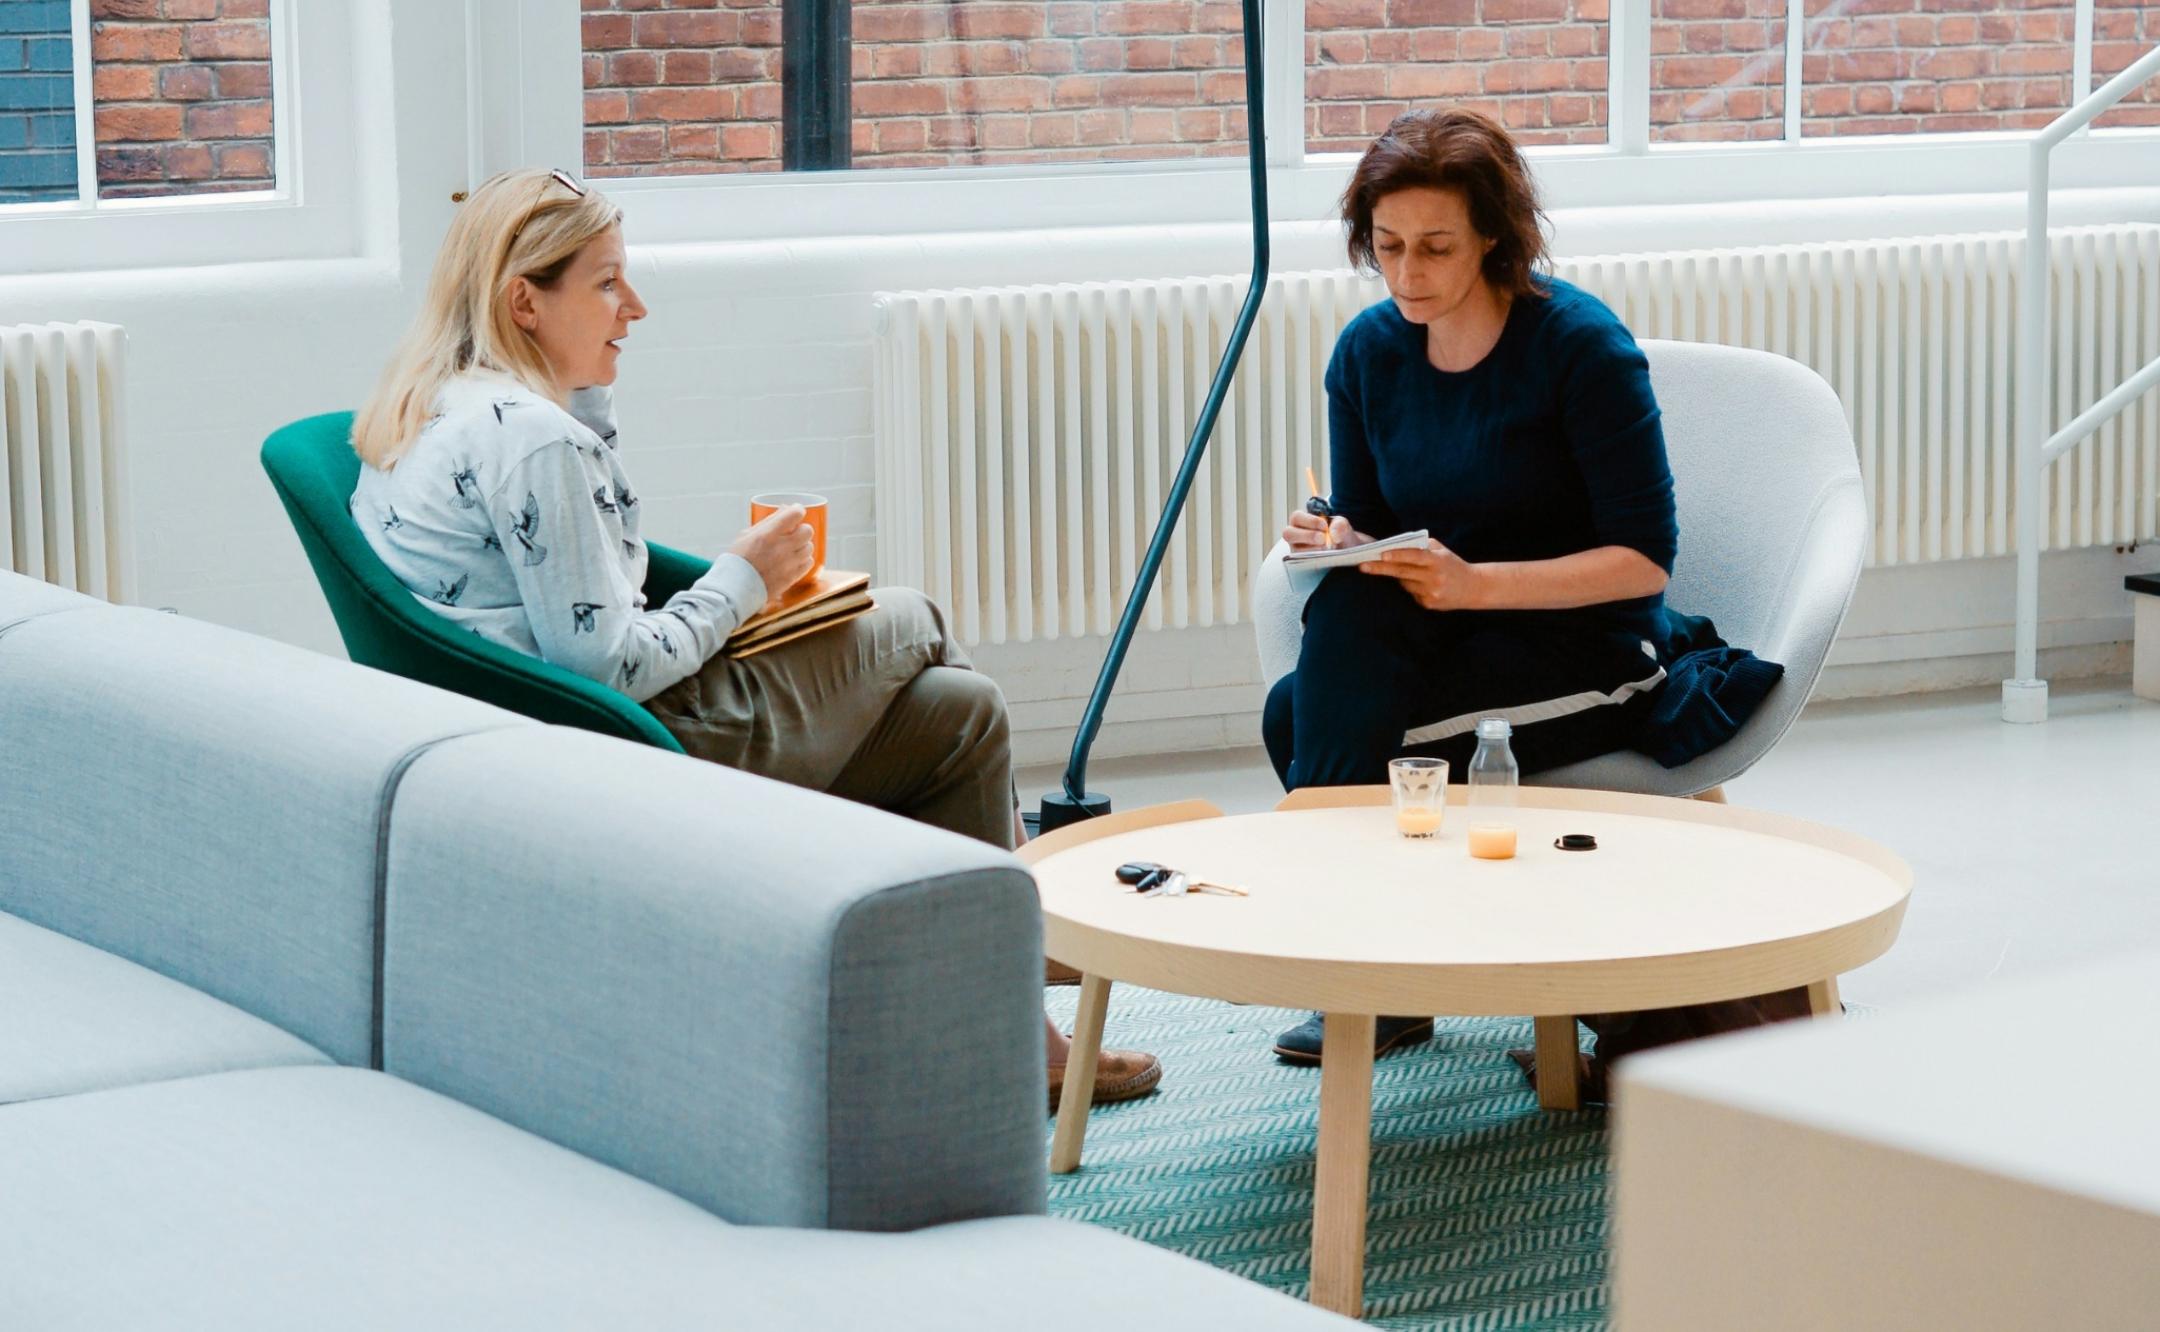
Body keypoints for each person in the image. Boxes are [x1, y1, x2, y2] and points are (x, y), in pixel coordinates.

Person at [348, 167, 1158, 1112]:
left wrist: (596, 413)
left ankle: (1013, 1031)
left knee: (961, 714)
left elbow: (589, 592)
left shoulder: (449, 404)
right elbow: (604, 663)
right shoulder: (537, 443)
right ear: (524, 299)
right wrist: (745, 578)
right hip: (636, 746)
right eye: (607, 282)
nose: (635, 306)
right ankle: (1031, 925)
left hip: (550, 740)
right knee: (915, 616)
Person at [1262, 112, 1798, 1092]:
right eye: (1386, 248)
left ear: (1494, 239)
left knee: (1307, 715)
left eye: (1435, 247)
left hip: (1587, 648)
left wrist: (1476, 585)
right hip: (1449, 639)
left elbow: (1642, 563)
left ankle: (1354, 946)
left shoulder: (1579, 348)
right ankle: (1371, 946)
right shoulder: (1369, 354)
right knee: (1303, 687)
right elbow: (1377, 527)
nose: (1408, 273)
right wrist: (1339, 539)